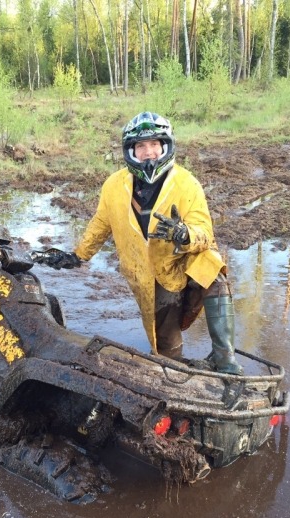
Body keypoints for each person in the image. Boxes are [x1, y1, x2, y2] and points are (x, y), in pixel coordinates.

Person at [48, 111, 243, 375]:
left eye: (154, 144)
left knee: (212, 269)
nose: (148, 152)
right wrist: (78, 255)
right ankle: (173, 374)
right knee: (167, 352)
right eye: (141, 146)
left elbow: (205, 232)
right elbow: (100, 224)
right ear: (131, 151)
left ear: (165, 146)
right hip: (150, 278)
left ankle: (225, 359)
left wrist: (183, 234)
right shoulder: (114, 186)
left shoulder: (187, 184)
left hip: (181, 263)